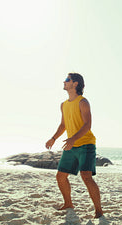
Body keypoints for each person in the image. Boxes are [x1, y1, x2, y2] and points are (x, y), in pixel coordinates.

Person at [45, 73, 103, 218]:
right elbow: (63, 125)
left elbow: (87, 125)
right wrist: (53, 138)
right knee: (60, 177)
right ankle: (68, 203)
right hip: (71, 146)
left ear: (75, 83)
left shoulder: (83, 102)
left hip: (86, 144)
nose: (64, 82)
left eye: (67, 80)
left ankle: (98, 210)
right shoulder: (63, 105)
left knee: (86, 176)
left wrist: (72, 139)